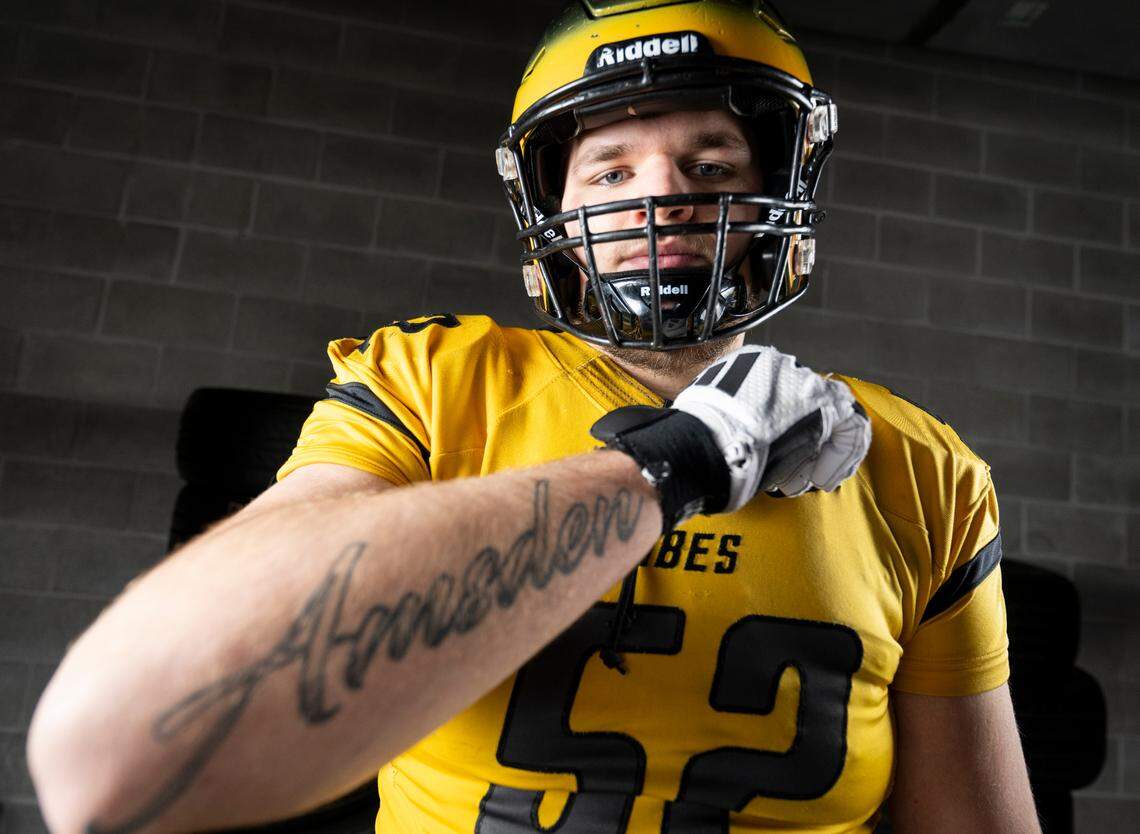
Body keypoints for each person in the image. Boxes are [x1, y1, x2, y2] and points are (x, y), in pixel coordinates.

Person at [26, 2, 1041, 833]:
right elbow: (115, 750)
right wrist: (684, 458)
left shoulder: (924, 469)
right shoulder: (432, 383)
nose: (666, 197)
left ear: (778, 186)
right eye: (611, 170)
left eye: (712, 162)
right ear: (553, 212)